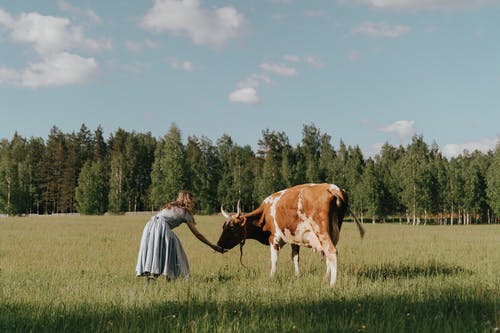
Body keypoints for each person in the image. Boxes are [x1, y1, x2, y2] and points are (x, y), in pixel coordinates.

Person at [136, 190, 225, 280]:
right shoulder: (185, 213)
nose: (194, 203)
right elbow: (198, 235)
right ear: (188, 200)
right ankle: (173, 275)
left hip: (150, 226)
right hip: (160, 227)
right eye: (193, 201)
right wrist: (213, 246)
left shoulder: (170, 206)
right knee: (175, 247)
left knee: (161, 248)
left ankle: (157, 276)